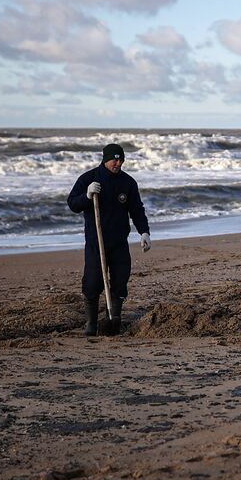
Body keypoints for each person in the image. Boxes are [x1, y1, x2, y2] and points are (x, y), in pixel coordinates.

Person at [67, 143, 150, 337]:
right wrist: (87, 196)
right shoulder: (89, 179)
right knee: (92, 282)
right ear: (105, 159)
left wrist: (144, 232)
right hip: (96, 242)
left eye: (121, 159)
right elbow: (72, 204)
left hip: (119, 241)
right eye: (114, 159)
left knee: (120, 280)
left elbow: (137, 209)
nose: (118, 163)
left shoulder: (128, 182)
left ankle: (114, 319)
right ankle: (91, 322)